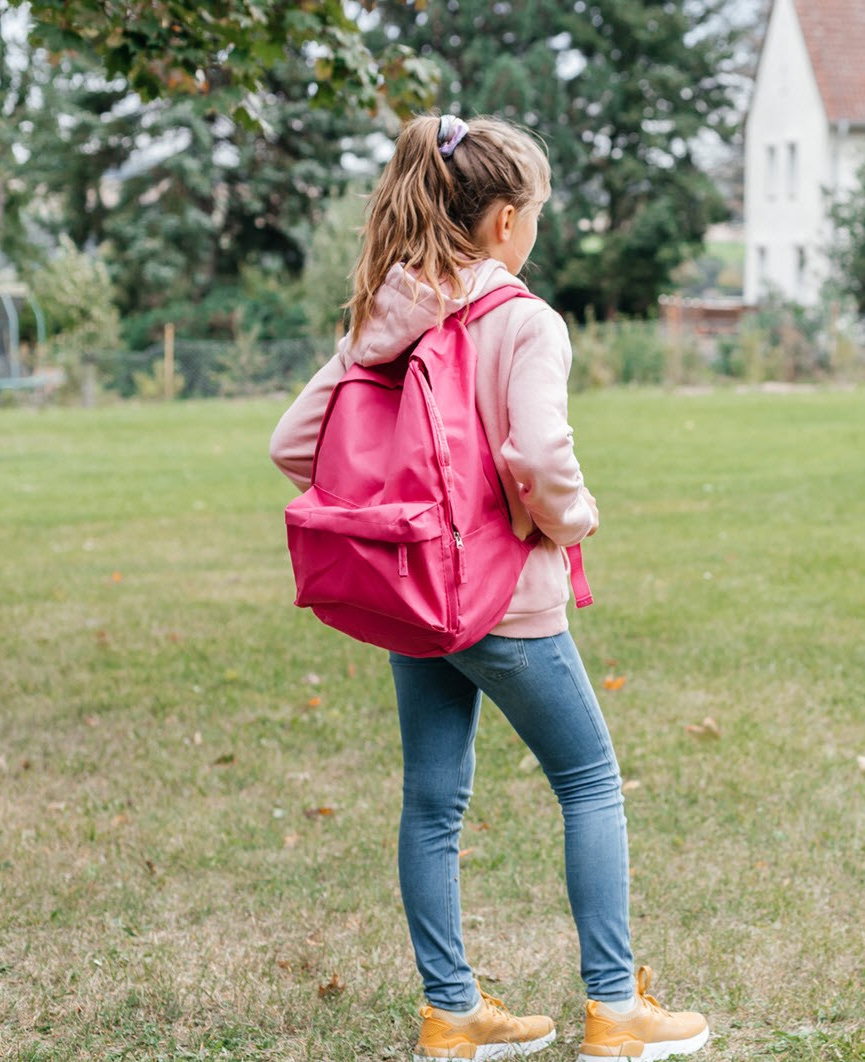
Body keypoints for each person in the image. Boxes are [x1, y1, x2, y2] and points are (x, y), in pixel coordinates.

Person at [269, 114, 709, 1062]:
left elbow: (294, 446)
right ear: (508, 219)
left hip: (413, 599)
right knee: (590, 782)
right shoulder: (524, 320)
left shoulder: (388, 320)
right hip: (506, 603)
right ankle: (614, 1011)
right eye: (538, 211)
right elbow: (540, 455)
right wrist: (574, 518)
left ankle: (452, 1012)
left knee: (432, 803)